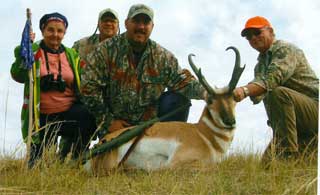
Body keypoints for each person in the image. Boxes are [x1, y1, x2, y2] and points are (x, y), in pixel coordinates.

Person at [81, 4, 206, 139]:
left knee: (179, 101)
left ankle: (167, 144)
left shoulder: (163, 57)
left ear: (152, 26)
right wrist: (108, 121)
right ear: (126, 23)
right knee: (80, 112)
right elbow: (89, 87)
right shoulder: (105, 50)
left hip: (150, 128)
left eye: (145, 22)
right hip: (115, 127)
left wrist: (208, 93)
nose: (141, 27)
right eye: (136, 21)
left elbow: (183, 82)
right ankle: (76, 153)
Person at [11, 12, 96, 168]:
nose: (55, 35)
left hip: (67, 112)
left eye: (60, 31)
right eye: (50, 30)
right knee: (36, 167)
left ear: (64, 33)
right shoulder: (32, 51)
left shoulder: (71, 55)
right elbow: (18, 75)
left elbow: (85, 78)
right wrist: (23, 54)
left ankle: (76, 159)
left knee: (88, 115)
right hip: (41, 118)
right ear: (42, 31)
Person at [233, 16, 319, 159]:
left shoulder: (285, 49)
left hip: (314, 111)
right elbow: (258, 94)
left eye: (257, 32)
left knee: (277, 93)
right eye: (248, 37)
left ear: (270, 31)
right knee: (266, 168)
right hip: (294, 126)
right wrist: (225, 96)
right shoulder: (260, 66)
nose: (253, 38)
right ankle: (290, 149)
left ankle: (287, 154)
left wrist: (244, 91)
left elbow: (270, 81)